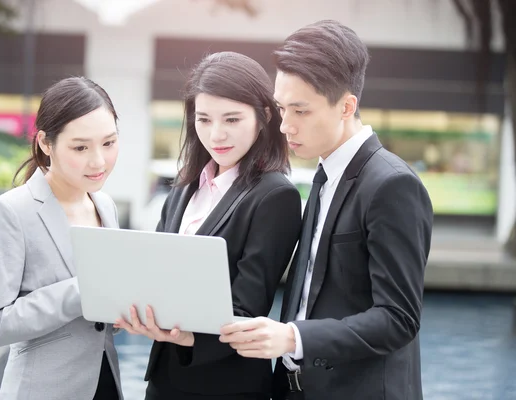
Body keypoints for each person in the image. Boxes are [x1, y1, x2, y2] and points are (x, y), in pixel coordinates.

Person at [219, 20, 434, 400]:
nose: (285, 125)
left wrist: (292, 336)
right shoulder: (323, 176)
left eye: (300, 111)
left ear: (346, 106)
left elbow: (398, 319)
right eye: (282, 108)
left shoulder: (392, 185)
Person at [115, 51, 302, 400]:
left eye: (231, 119)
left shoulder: (276, 195)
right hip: (165, 377)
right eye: (203, 119)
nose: (216, 135)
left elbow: (248, 308)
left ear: (264, 116)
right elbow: (155, 268)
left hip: (226, 385)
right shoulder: (185, 187)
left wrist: (186, 336)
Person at [0, 77, 124, 400]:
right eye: (81, 147)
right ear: (45, 143)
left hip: (105, 383)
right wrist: (83, 291)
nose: (98, 161)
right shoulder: (10, 212)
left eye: (109, 143)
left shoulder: (105, 205)